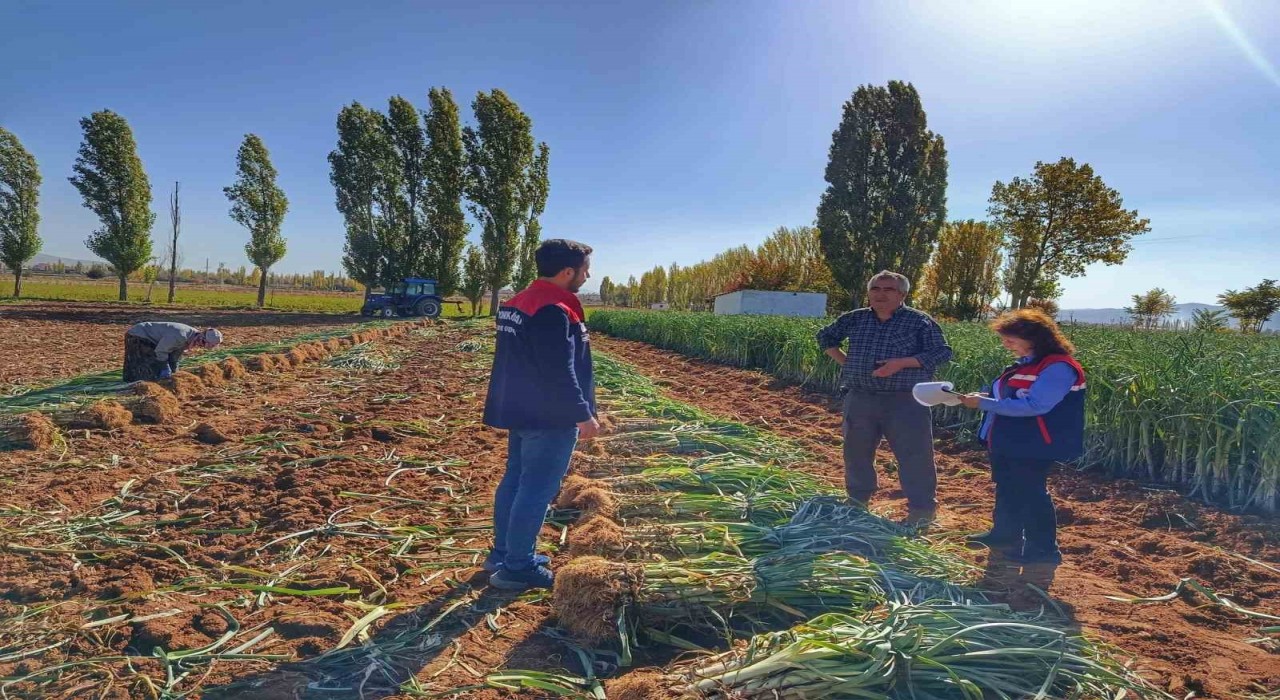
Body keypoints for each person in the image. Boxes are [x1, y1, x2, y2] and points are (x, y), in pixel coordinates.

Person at [482, 239, 599, 590]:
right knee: (536, 489)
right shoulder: (552, 308)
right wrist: (583, 414)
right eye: (584, 269)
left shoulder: (518, 302)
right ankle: (518, 567)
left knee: (516, 481)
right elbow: (558, 370)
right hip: (549, 415)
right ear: (567, 272)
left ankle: (503, 553)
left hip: (520, 408)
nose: (587, 275)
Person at [816, 270, 953, 521]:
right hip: (861, 397)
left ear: (902, 294)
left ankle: (921, 508)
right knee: (856, 451)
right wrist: (846, 362)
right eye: (875, 289)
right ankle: (858, 500)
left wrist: (902, 363)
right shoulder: (855, 319)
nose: (880, 294)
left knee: (914, 454)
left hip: (905, 400)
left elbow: (942, 352)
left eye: (888, 289)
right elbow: (825, 336)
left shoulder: (918, 321)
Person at [958, 309, 1087, 565]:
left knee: (1031, 492)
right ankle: (1005, 535)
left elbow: (1036, 405)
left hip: (1036, 442)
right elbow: (1008, 394)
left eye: (1011, 339)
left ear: (1034, 337)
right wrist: (984, 397)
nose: (1006, 344)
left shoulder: (1058, 367)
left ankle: (1043, 549)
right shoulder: (1027, 362)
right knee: (1007, 487)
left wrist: (985, 405)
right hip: (1009, 439)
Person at [123, 322, 223, 382]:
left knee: (155, 371)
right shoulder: (180, 336)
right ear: (202, 337)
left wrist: (175, 374)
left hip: (154, 340)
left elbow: (174, 357)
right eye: (203, 343)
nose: (200, 346)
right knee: (144, 368)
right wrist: (165, 368)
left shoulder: (190, 338)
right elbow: (161, 351)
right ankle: (131, 384)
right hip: (139, 335)